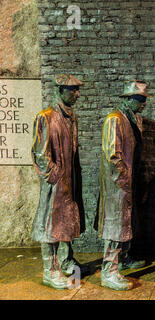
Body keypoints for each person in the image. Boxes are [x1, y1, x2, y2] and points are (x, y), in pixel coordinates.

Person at [31, 74, 85, 289]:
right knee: (50, 226)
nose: (77, 94)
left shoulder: (72, 117)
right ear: (60, 90)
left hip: (68, 181)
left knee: (64, 224)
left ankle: (64, 262)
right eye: (72, 90)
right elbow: (39, 153)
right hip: (56, 183)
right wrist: (55, 177)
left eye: (77, 90)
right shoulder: (46, 117)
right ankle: (49, 271)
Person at [96, 80, 151, 290]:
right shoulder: (115, 120)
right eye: (139, 99)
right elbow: (113, 156)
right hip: (118, 185)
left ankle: (122, 260)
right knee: (114, 226)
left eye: (144, 99)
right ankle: (109, 272)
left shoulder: (132, 119)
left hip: (129, 181)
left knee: (125, 225)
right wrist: (123, 180)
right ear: (128, 99)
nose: (143, 103)